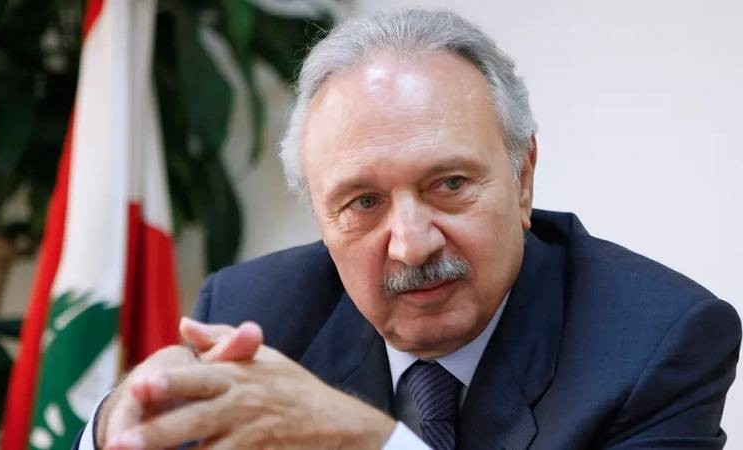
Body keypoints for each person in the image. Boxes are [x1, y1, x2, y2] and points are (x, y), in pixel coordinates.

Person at [76, 9, 741, 450]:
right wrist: (115, 422)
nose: (413, 243)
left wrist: (368, 442)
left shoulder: (656, 344)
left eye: (448, 185)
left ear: (523, 178)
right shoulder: (256, 311)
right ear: (320, 215)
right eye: (363, 202)